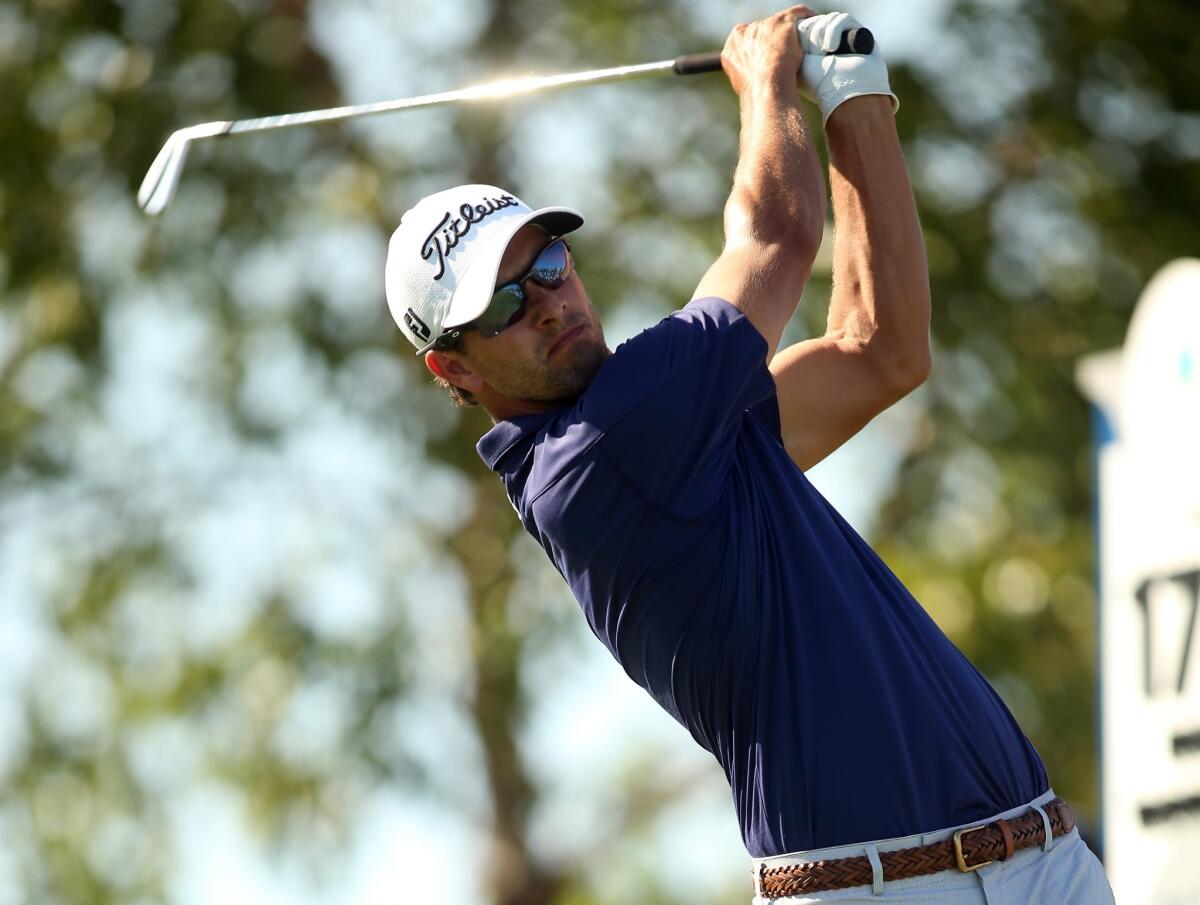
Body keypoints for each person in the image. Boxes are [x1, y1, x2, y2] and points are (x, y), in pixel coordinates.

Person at [384, 8, 1115, 903]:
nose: (546, 301)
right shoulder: (600, 457)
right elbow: (775, 234)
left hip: (1050, 859)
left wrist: (855, 91)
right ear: (451, 365)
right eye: (500, 304)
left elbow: (881, 348)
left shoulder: (682, 438)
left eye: (549, 264)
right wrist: (767, 77)